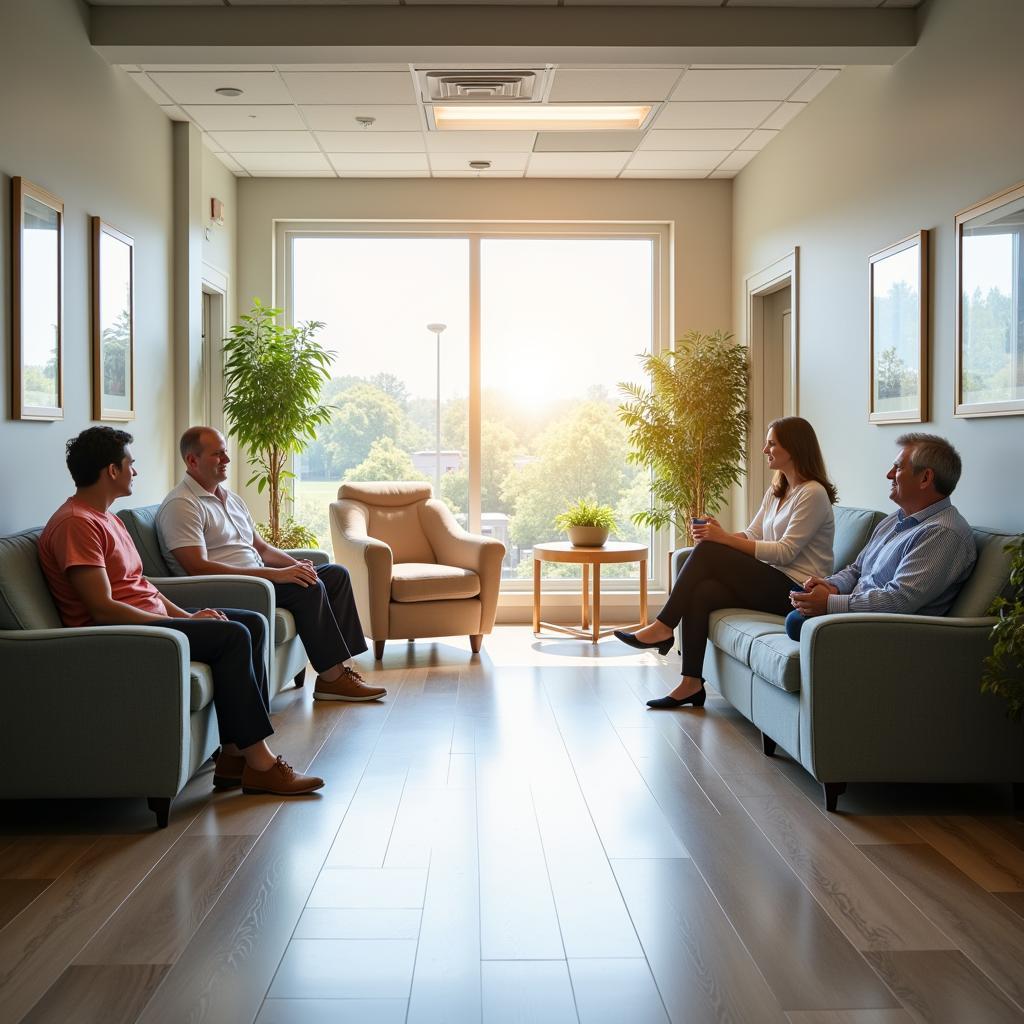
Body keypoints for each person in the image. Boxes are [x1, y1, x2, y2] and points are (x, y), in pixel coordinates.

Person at [38, 427, 323, 797]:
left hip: (151, 621)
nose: (135, 472)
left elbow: (143, 586)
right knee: (232, 635)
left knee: (249, 622)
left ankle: (235, 757)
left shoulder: (107, 518)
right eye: (130, 464)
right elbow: (102, 608)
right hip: (120, 636)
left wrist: (188, 617)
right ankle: (262, 764)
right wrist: (175, 624)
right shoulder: (77, 524)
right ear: (111, 471)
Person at [615, 416, 838, 710]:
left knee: (709, 550)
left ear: (794, 448)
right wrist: (718, 534)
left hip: (798, 593)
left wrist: (719, 540)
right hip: (772, 581)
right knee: (703, 591)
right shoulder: (778, 489)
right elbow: (752, 534)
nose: (764, 449)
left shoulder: (812, 493)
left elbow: (785, 552)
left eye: (772, 443)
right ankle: (691, 684)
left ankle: (663, 626)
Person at [155, 426, 385, 703]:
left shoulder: (230, 498)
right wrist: (276, 575)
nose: (226, 460)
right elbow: (197, 568)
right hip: (232, 587)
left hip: (260, 578)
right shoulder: (182, 505)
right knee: (306, 588)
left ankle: (338, 669)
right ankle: (332, 679)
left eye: (226, 452)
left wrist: (296, 565)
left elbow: (261, 547)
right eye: (218, 455)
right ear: (192, 460)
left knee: (334, 574)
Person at [787, 433, 976, 638]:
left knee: (796, 622)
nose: (889, 474)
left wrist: (829, 603)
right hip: (861, 614)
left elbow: (899, 599)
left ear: (925, 478)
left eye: (898, 468)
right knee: (797, 616)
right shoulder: (895, 519)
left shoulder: (943, 533)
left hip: (889, 631)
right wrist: (831, 586)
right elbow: (857, 569)